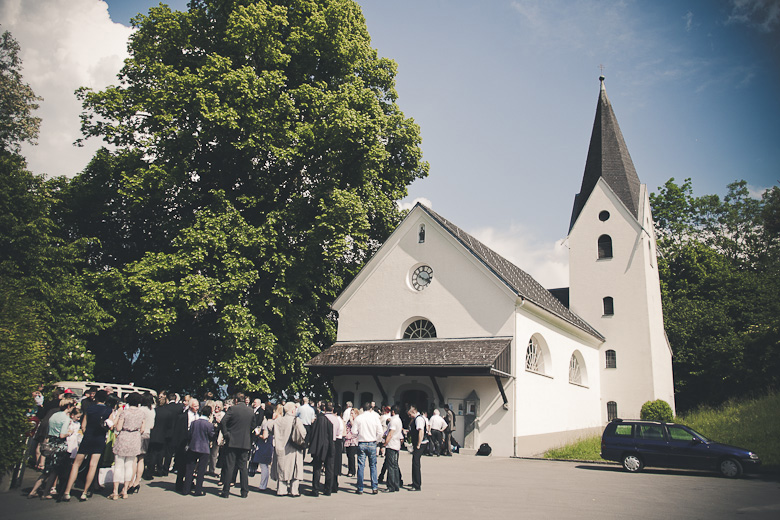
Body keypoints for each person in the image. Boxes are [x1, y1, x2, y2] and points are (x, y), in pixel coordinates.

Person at [62, 390, 111, 501]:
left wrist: (86, 433)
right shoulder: (108, 410)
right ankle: (85, 492)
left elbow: (83, 425)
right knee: (93, 465)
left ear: (96, 398)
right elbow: (110, 425)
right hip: (99, 438)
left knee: (76, 464)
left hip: (88, 437)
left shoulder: (89, 409)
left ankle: (67, 491)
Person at [28, 398, 75, 500]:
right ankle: (45, 493)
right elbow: (62, 435)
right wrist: (69, 432)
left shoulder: (54, 415)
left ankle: (34, 490)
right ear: (68, 406)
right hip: (59, 445)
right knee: (54, 470)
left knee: (46, 470)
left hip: (51, 442)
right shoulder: (65, 418)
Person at [219, 391, 256, 498]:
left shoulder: (233, 409)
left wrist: (226, 433)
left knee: (230, 466)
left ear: (236, 400)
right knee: (243, 467)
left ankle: (226, 491)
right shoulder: (250, 411)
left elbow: (223, 421)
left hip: (232, 441)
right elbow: (253, 425)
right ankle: (244, 491)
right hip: (245, 442)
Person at [266, 401, 307, 497]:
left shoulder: (279, 421)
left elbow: (269, 426)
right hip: (294, 448)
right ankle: (294, 490)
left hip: (281, 448)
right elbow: (303, 433)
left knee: (282, 469)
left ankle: (281, 490)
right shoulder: (296, 421)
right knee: (295, 470)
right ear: (292, 410)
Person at [111, 392, 146, 500]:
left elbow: (118, 428)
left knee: (118, 465)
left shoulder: (124, 413)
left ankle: (115, 491)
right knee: (129, 465)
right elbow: (142, 429)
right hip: (135, 437)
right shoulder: (142, 413)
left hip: (124, 436)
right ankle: (125, 490)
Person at [183, 405, 215, 496]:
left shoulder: (194, 423)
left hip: (193, 447)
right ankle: (198, 490)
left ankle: (186, 489)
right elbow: (211, 436)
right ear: (209, 414)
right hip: (204, 448)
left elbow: (189, 434)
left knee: (189, 469)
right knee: (201, 470)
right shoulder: (209, 425)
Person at [351, 402, 383, 494]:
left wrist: (359, 436)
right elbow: (380, 432)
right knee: (373, 465)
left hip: (362, 442)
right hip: (372, 442)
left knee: (361, 466)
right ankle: (374, 487)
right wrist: (376, 440)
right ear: (371, 409)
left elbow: (354, 431)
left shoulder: (359, 418)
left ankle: (360, 488)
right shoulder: (375, 418)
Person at [130, 393, 155, 492]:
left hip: (139, 434)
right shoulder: (152, 410)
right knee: (141, 459)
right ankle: (137, 481)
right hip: (148, 434)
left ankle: (131, 481)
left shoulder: (141, 410)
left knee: (134, 459)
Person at [307, 403, 334, 497]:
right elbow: (331, 436)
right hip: (328, 445)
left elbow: (312, 433)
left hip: (318, 445)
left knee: (317, 468)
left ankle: (315, 489)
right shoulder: (330, 422)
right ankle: (328, 489)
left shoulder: (318, 420)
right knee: (329, 468)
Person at [382, 406, 403, 492]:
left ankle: (390, 486)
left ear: (393, 411)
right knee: (395, 466)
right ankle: (396, 484)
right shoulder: (399, 420)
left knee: (390, 466)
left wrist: (385, 443)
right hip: (397, 444)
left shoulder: (393, 421)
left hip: (391, 444)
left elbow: (390, 433)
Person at [407, 405, 427, 491]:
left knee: (416, 463)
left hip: (421, 443)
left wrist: (418, 444)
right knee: (415, 462)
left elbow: (421, 431)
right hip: (419, 443)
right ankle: (415, 481)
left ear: (414, 412)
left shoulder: (419, 419)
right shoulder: (417, 419)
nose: (409, 416)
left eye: (410, 414)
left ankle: (417, 485)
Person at [343, 407, 359, 477]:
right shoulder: (349, 420)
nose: (351, 414)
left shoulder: (356, 420)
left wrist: (351, 420)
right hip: (348, 438)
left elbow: (354, 428)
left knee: (351, 455)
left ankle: (352, 471)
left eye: (352, 413)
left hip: (353, 439)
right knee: (348, 455)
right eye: (350, 413)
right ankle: (350, 469)